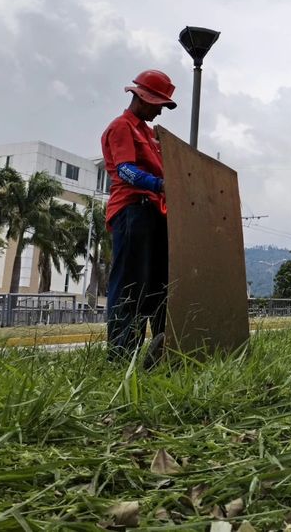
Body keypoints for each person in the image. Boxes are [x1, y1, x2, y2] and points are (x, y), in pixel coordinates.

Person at [101, 69, 176, 361]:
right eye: (158, 104)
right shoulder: (121, 127)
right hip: (133, 211)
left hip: (155, 213)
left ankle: (162, 349)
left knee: (159, 287)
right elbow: (125, 170)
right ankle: (121, 355)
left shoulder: (150, 134)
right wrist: (160, 184)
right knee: (131, 285)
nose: (160, 111)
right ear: (142, 98)